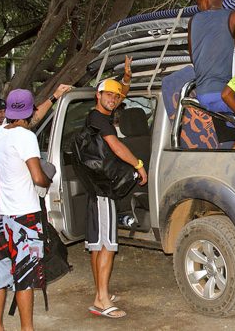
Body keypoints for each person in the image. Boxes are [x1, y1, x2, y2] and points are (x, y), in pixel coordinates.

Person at [0, 89, 53, 331]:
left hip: (4, 216)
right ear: (30, 110)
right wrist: (48, 180)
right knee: (25, 279)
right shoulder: (26, 137)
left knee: (0, 274)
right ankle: (27, 329)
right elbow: (37, 177)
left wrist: (55, 96)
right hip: (25, 218)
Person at [84, 79, 148, 319]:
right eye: (108, 95)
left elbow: (119, 96)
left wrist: (128, 80)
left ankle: (101, 292)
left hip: (96, 189)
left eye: (116, 96)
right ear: (97, 96)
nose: (113, 98)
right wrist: (138, 164)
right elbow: (116, 146)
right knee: (107, 245)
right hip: (103, 192)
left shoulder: (97, 116)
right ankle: (101, 300)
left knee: (97, 244)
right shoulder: (100, 120)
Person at [188, 0, 235, 113]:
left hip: (203, 94)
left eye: (198, 3)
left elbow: (194, 58)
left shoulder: (193, 20)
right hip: (227, 96)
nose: (199, 7)